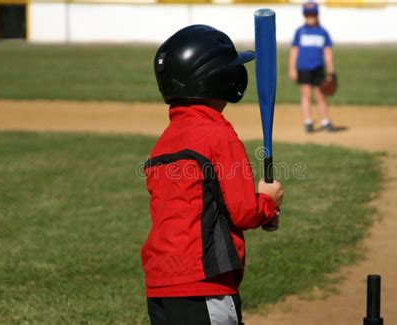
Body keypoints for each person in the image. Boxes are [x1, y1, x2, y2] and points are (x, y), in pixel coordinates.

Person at [142, 25, 284, 325]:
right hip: (205, 286)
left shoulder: (163, 142)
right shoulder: (218, 135)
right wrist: (268, 202)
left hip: (159, 289)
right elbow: (245, 212)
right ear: (217, 78)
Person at [289, 1, 336, 133]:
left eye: (312, 14)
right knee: (306, 95)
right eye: (308, 15)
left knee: (321, 96)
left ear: (317, 15)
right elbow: (294, 51)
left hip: (318, 69)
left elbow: (328, 54)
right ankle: (308, 122)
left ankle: (325, 121)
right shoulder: (300, 31)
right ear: (304, 15)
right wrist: (292, 68)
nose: (310, 17)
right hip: (304, 68)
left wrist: (330, 72)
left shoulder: (323, 32)